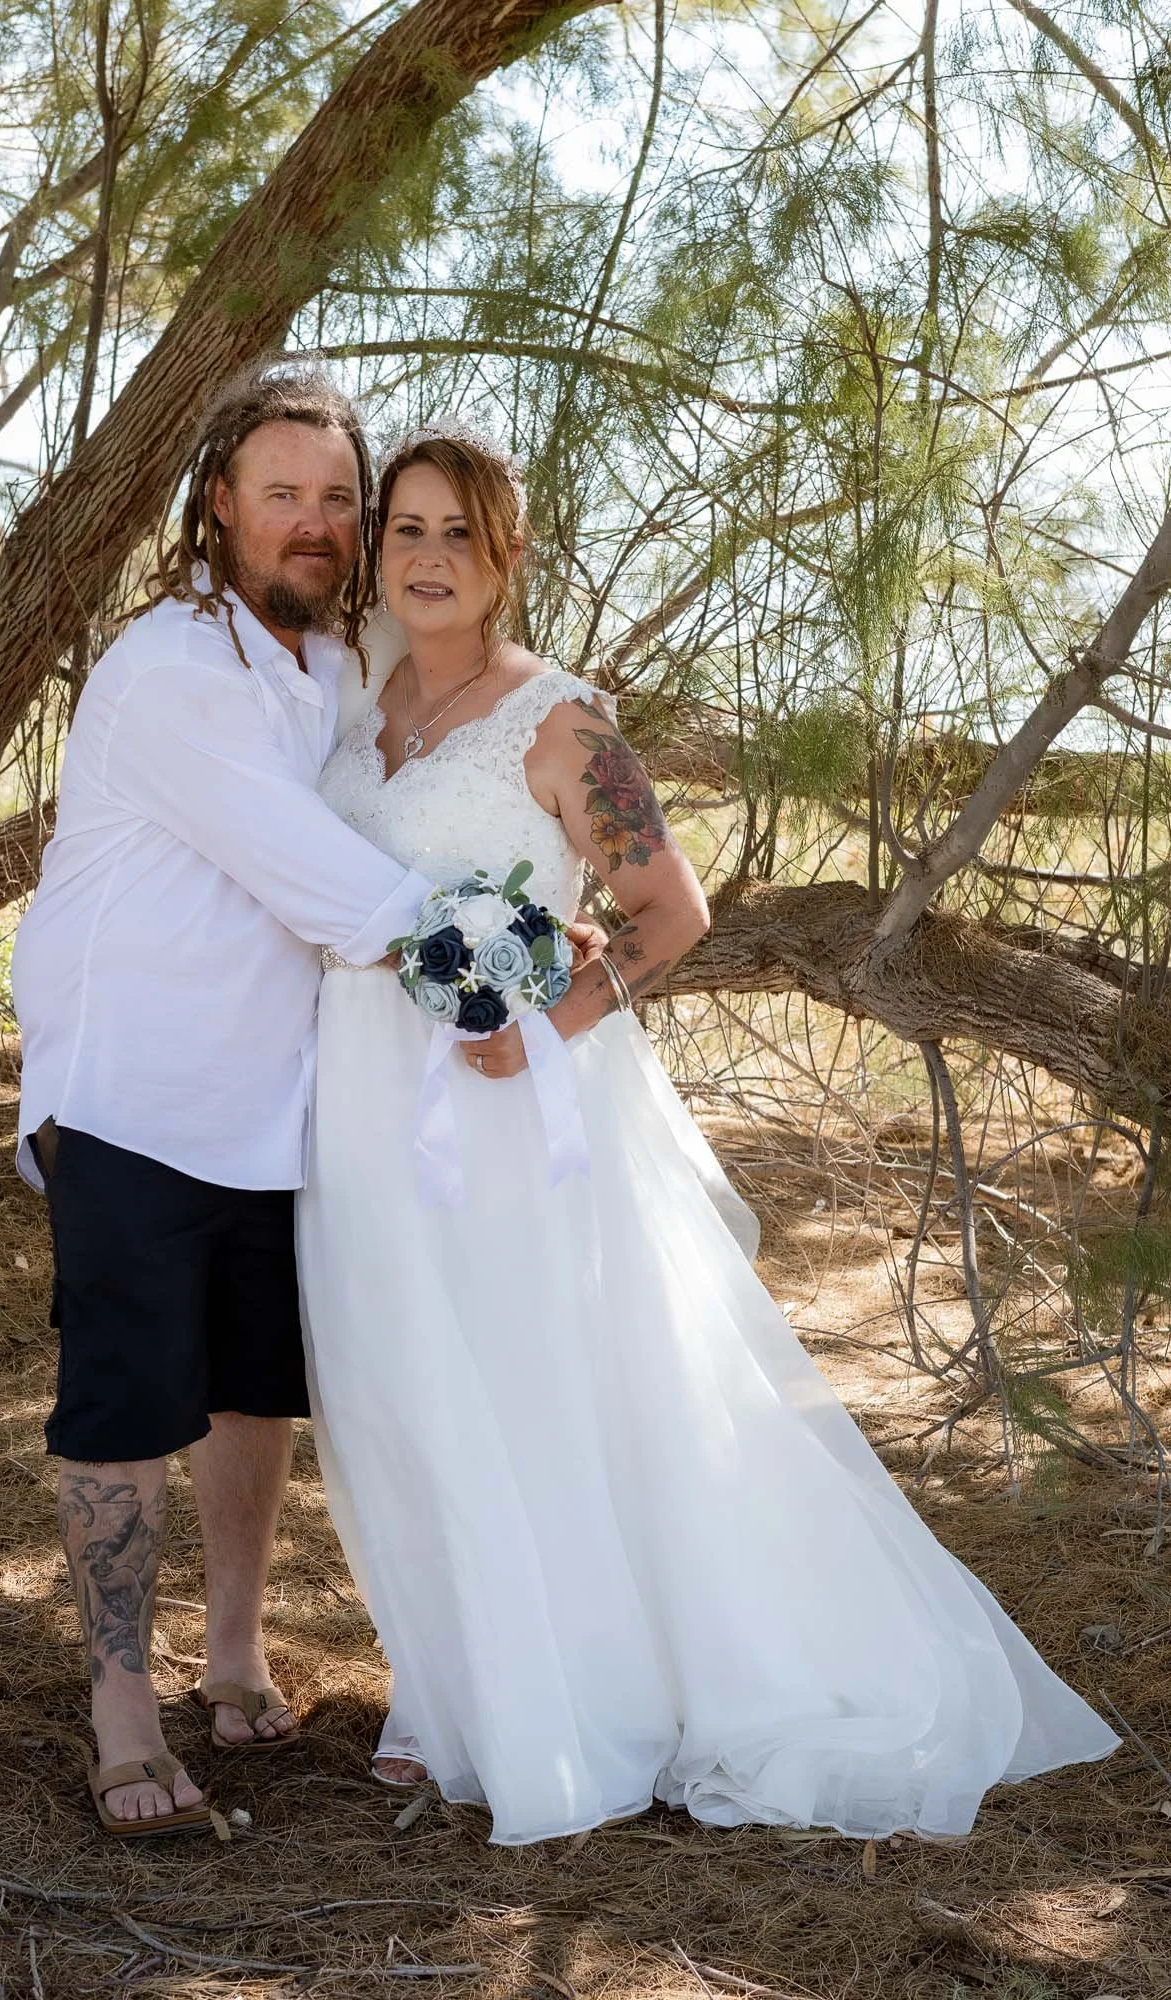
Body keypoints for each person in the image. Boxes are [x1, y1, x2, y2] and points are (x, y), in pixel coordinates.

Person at [296, 422, 1120, 1846]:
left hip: (510, 1114)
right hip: (364, 1099)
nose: (426, 559)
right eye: (405, 530)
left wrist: (540, 1027)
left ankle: (584, 1695)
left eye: (457, 532)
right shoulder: (355, 714)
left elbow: (673, 913)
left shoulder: (561, 724)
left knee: (532, 1387)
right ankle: (452, 1693)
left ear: (507, 556)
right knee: (406, 1386)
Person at [10, 362, 442, 1835]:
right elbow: (321, 877)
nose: (314, 524)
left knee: (258, 1386)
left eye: (336, 499)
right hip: (134, 1087)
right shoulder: (174, 669)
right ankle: (120, 1698)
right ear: (218, 508)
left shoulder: (326, 669)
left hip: (280, 1100)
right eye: (283, 496)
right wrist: (488, 958)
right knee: (128, 1402)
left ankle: (238, 1649)